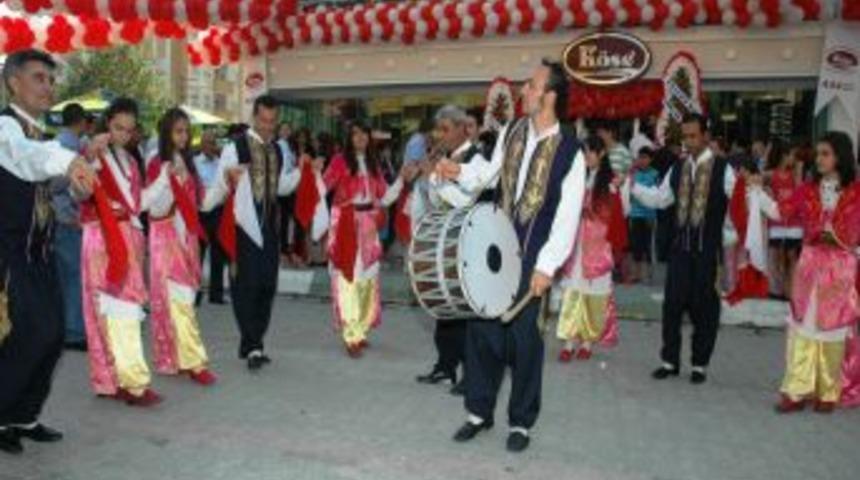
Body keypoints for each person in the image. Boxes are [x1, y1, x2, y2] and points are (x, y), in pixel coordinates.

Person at [436, 59, 586, 453]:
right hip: (496, 245)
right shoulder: (513, 130)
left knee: (525, 343)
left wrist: (547, 266)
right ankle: (478, 412)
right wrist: (458, 172)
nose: (524, 91)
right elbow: (488, 173)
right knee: (482, 330)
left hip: (534, 257)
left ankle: (521, 421)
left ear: (550, 96)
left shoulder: (571, 151)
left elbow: (567, 217)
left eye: (532, 86)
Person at [0, 49, 97, 456]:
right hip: (11, 251)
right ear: (13, 82)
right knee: (30, 332)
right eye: (39, 78)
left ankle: (24, 414)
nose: (48, 87)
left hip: (40, 250)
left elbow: (47, 179)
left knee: (54, 334)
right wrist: (68, 160)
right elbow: (26, 160)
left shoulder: (39, 133)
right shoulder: (6, 127)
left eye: (51, 79)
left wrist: (77, 184)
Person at [752, 132, 860, 413]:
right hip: (810, 264)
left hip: (840, 267)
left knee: (833, 328)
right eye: (818, 153)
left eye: (826, 153)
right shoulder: (807, 189)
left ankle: (828, 391)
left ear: (841, 156)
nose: (819, 159)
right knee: (805, 324)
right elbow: (780, 212)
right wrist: (757, 194)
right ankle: (796, 392)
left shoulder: (857, 192)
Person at [631, 113, 739, 385]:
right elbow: (660, 199)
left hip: (707, 251)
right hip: (680, 249)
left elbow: (738, 205)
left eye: (693, 136)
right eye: (685, 136)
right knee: (672, 305)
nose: (688, 142)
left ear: (706, 136)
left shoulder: (723, 169)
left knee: (705, 308)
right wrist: (633, 187)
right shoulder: (678, 167)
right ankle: (669, 361)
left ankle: (699, 365)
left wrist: (731, 237)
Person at [202, 95, 300, 371]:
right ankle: (253, 345)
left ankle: (253, 342)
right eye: (264, 120)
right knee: (247, 287)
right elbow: (220, 186)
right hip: (243, 227)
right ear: (254, 117)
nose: (268, 126)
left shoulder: (278, 149)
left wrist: (301, 173)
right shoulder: (235, 147)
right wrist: (222, 184)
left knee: (267, 286)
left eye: (272, 121)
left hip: (269, 228)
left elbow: (280, 187)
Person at [78, 97, 161, 407]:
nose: (123, 135)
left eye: (129, 129)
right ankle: (126, 382)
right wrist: (89, 157)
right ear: (106, 124)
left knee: (120, 309)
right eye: (117, 127)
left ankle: (116, 380)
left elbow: (137, 203)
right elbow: (78, 191)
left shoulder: (130, 161)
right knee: (110, 309)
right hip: (101, 236)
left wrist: (165, 180)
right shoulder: (93, 154)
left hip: (128, 236)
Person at [415, 105, 489, 395]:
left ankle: (472, 375)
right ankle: (446, 366)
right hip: (445, 241)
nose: (440, 135)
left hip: (468, 243)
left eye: (446, 129)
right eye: (438, 130)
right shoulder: (444, 159)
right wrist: (429, 180)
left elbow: (466, 201)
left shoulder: (477, 160)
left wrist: (435, 178)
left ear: (462, 128)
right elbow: (437, 201)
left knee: (466, 310)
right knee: (443, 306)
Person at [318, 122, 409, 357]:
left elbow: (385, 197)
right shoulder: (339, 161)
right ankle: (351, 334)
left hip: (369, 225)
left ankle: (361, 328)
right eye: (355, 134)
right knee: (349, 278)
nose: (360, 138)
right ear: (348, 138)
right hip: (346, 224)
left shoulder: (373, 163)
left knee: (368, 278)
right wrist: (314, 172)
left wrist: (401, 178)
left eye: (364, 134)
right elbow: (322, 187)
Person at [144, 108, 216, 386]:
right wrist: (167, 182)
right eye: (178, 131)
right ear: (166, 133)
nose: (184, 136)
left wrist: (225, 182)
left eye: (186, 131)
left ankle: (174, 357)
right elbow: (154, 208)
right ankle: (194, 362)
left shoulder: (189, 162)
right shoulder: (157, 163)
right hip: (165, 236)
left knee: (179, 299)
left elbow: (202, 203)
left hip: (186, 238)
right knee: (181, 299)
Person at [556, 136, 625, 362]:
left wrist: (592, 213)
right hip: (577, 244)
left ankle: (587, 341)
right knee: (572, 292)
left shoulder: (612, 182)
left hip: (598, 246)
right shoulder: (578, 177)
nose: (585, 157)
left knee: (594, 295)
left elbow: (618, 214)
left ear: (601, 153)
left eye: (589, 152)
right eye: (583, 153)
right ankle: (569, 341)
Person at [51, 102, 89, 350]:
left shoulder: (60, 142)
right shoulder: (69, 146)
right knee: (74, 275)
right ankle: (73, 332)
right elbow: (54, 184)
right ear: (81, 122)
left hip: (62, 218)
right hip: (66, 219)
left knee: (66, 276)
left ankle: (67, 327)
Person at [764, 140, 802, 300]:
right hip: (776, 224)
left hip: (794, 224)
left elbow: (800, 194)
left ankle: (791, 291)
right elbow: (757, 180)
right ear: (782, 156)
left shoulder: (795, 176)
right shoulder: (770, 175)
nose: (793, 159)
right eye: (791, 155)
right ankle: (775, 290)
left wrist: (799, 174)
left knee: (792, 258)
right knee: (775, 257)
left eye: (794, 155)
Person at [194, 129, 227, 304]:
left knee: (218, 253)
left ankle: (216, 294)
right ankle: (195, 293)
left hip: (218, 211)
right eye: (207, 142)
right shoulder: (194, 163)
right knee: (198, 253)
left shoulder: (221, 163)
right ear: (201, 144)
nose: (211, 146)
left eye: (213, 143)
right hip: (200, 212)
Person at [628, 147, 659, 283]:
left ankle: (649, 274)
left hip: (649, 215)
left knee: (648, 246)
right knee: (636, 246)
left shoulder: (655, 174)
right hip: (635, 214)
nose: (642, 160)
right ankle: (636, 274)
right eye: (640, 157)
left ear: (651, 159)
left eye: (645, 157)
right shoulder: (633, 173)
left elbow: (657, 194)